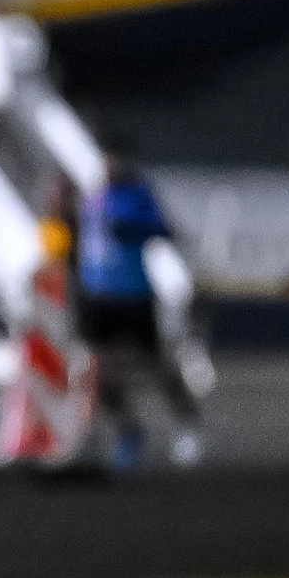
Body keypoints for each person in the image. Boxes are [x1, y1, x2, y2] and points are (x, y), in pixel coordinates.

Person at [74, 145, 201, 470]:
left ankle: (187, 419)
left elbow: (163, 228)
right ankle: (127, 430)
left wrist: (132, 227)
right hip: (99, 297)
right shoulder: (91, 198)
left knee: (155, 364)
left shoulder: (137, 194)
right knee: (99, 372)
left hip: (132, 295)